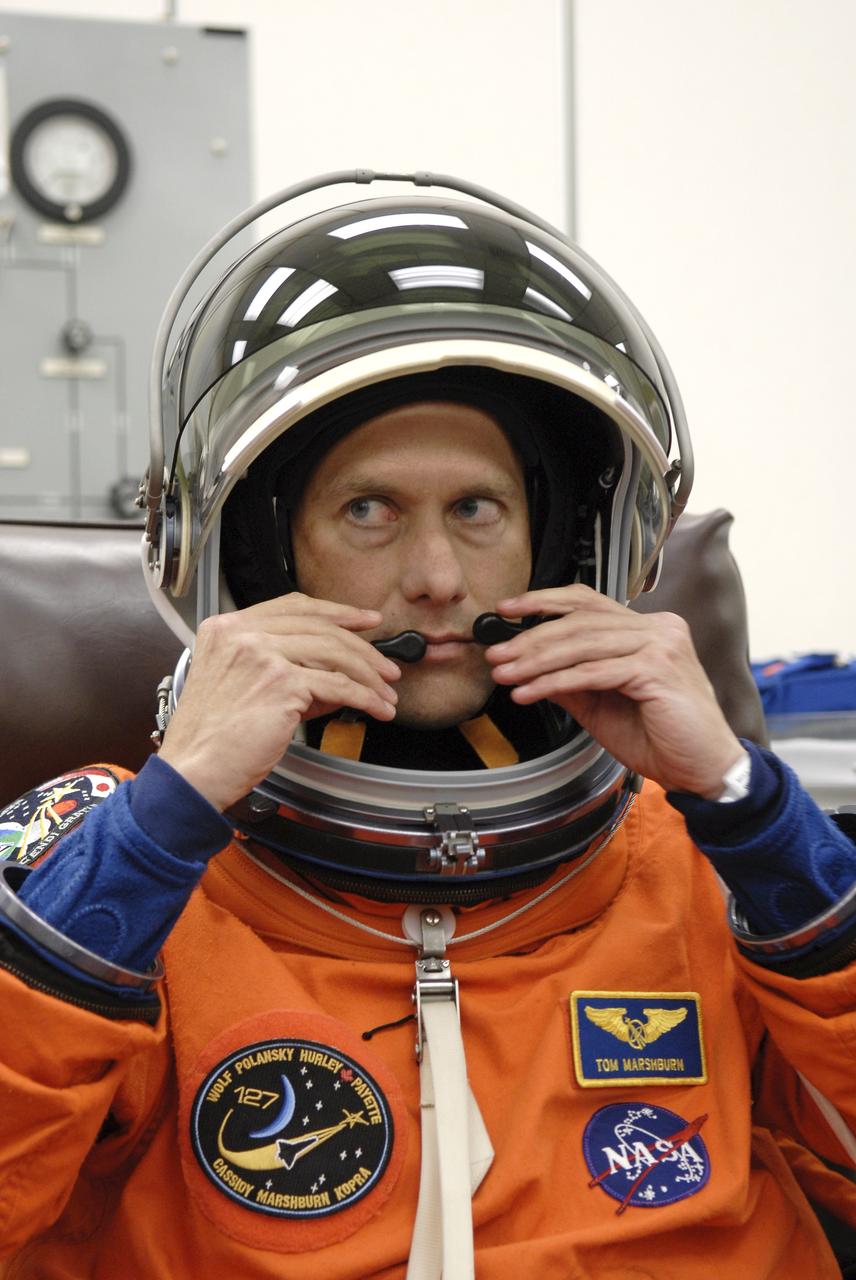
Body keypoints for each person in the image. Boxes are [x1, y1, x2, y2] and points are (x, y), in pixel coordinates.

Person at [1, 172, 855, 1279]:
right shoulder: (92, 868)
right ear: (261, 554)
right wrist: (167, 816)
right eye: (369, 510)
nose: (439, 577)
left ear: (553, 542)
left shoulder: (715, 865)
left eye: (476, 509)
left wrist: (747, 805)